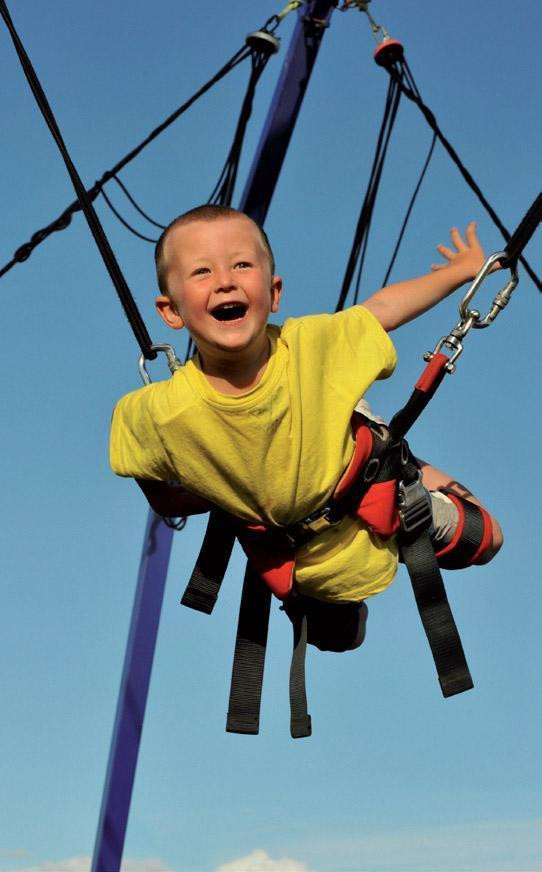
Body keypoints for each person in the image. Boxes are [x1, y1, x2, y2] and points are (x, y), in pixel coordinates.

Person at [110, 204, 502, 648]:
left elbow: (382, 309)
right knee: (337, 638)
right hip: (310, 558)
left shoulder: (312, 343)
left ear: (274, 293)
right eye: (202, 271)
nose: (225, 280)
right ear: (171, 311)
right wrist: (226, 488)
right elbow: (162, 494)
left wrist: (460, 272)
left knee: (488, 539)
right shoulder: (158, 415)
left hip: (365, 478)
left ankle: (411, 484)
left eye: (241, 265)